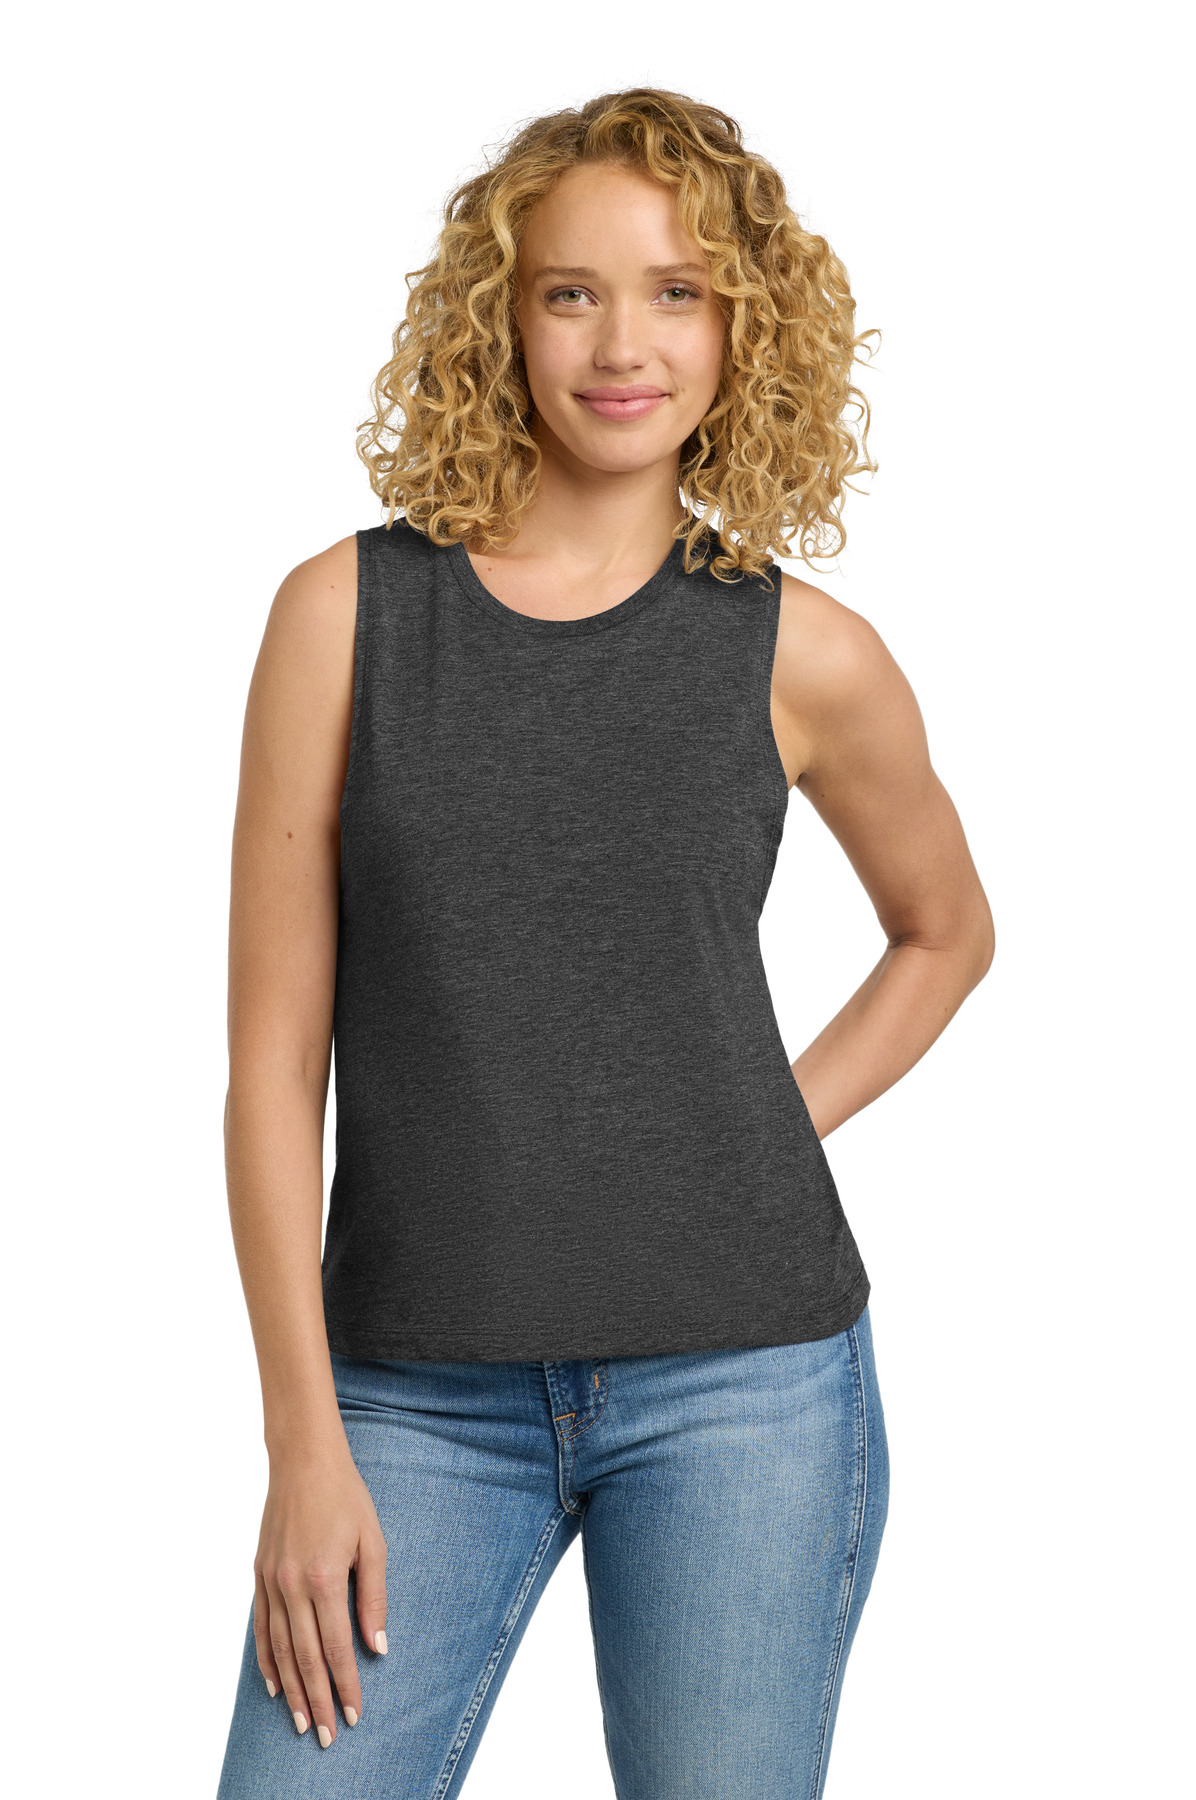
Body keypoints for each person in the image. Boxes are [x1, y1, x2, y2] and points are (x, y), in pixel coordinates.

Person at [215, 87, 994, 1799]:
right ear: (500, 318)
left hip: (748, 1389)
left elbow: (945, 933)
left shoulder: (806, 652)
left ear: (742, 325)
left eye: (676, 292)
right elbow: (272, 1066)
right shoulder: (344, 620)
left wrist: (755, 1131)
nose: (622, 344)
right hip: (410, 1397)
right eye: (570, 292)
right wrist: (302, 1444)